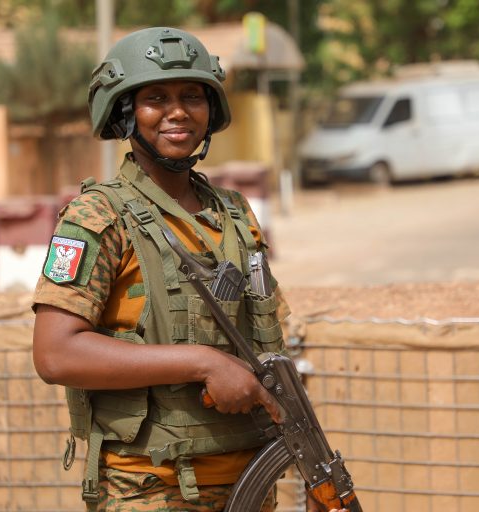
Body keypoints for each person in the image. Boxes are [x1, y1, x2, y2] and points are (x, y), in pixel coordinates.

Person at [32, 27, 346, 512]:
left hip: (250, 479)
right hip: (150, 489)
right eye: (155, 98)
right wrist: (203, 362)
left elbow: (267, 340)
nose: (178, 111)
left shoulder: (236, 214)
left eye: (192, 96)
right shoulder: (98, 217)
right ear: (124, 113)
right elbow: (55, 355)